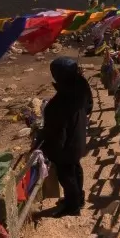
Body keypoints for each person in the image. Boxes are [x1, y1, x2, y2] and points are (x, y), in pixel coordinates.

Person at [38, 57, 93, 216]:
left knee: (66, 175)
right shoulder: (81, 88)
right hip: (79, 135)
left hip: (65, 145)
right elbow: (89, 107)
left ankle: (72, 206)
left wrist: (51, 150)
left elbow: (56, 131)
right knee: (76, 168)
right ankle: (78, 198)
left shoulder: (59, 102)